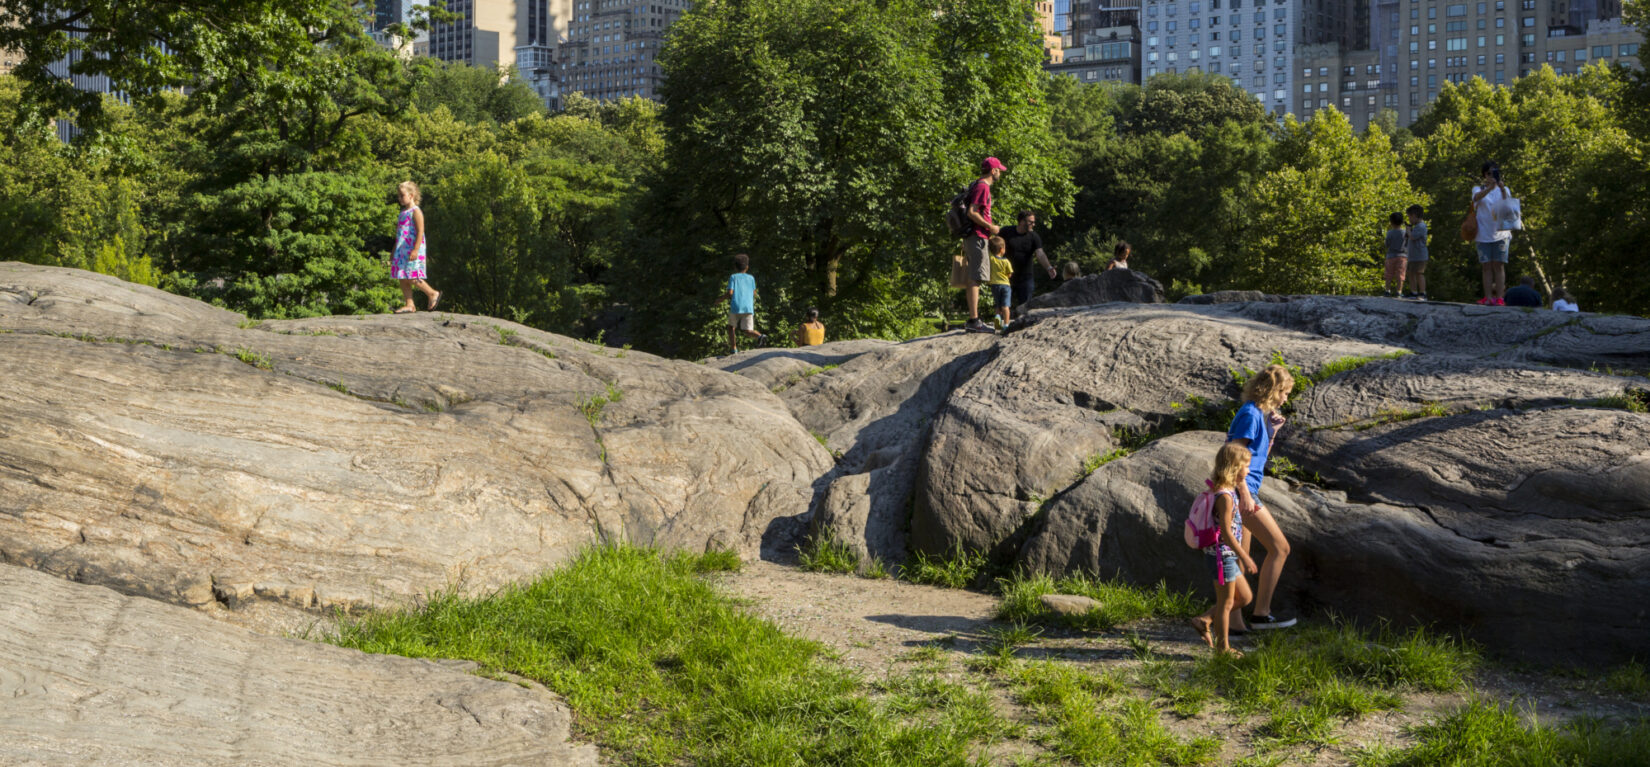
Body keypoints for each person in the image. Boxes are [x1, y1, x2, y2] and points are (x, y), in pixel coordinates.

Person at [1226, 363, 1297, 629]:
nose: (1285, 398)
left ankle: (1234, 625)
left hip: (1244, 490)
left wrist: (1272, 433)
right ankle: (1261, 614)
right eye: (1284, 392)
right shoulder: (1250, 414)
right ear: (1272, 390)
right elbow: (1234, 454)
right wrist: (1243, 492)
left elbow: (1256, 458)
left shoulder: (1257, 415)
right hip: (1240, 492)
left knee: (1240, 560)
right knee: (1280, 548)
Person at [1189, 442, 1260, 657]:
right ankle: (1223, 649)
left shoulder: (1226, 491)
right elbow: (1227, 534)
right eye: (1245, 466)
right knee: (1226, 603)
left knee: (1245, 597)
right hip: (1222, 557)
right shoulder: (1225, 498)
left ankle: (1205, 619)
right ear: (1234, 467)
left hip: (1224, 555)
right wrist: (1245, 557)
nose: (1248, 470)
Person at [962, 157, 1007, 334]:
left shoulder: (977, 184)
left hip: (976, 236)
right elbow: (972, 212)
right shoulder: (983, 186)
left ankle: (974, 319)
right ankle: (974, 321)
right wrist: (991, 227)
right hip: (978, 236)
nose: (1000, 173)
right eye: (999, 170)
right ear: (993, 171)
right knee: (975, 278)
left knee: (976, 277)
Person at [391, 181, 440, 314]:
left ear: (411, 195)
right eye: (399, 196)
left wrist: (416, 249)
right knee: (402, 275)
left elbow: (420, 231)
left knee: (412, 275)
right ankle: (410, 304)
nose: (399, 198)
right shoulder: (402, 213)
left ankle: (432, 293)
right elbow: (399, 234)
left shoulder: (416, 211)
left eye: (402, 195)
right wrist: (394, 251)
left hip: (412, 249)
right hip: (402, 250)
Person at [1472, 162, 1514, 306]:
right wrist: (1490, 187)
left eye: (1494, 172)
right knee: (1486, 266)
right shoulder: (1478, 189)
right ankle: (1488, 297)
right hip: (1483, 234)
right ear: (1484, 175)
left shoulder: (1505, 189)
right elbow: (1476, 199)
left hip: (1501, 233)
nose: (1492, 176)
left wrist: (1501, 188)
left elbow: (1508, 204)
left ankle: (1500, 298)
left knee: (1499, 265)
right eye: (1489, 173)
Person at [1000, 210, 1056, 312]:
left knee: (1025, 307)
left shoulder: (1034, 237)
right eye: (1031, 222)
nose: (1033, 224)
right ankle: (1001, 325)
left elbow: (1040, 253)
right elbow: (993, 245)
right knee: (1003, 305)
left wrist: (1049, 267)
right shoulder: (1006, 231)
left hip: (1025, 277)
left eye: (1034, 222)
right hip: (1005, 276)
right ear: (1021, 221)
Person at [723, 253, 768, 353]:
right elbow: (754, 292)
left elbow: (730, 292)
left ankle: (734, 348)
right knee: (748, 330)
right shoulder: (751, 278)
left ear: (735, 267)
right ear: (747, 267)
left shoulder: (733, 277)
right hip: (748, 307)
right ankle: (760, 336)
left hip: (736, 307)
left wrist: (720, 299)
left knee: (731, 327)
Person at [987, 235, 1013, 330]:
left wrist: (989, 240)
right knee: (1005, 306)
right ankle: (1006, 325)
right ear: (1002, 249)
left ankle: (997, 317)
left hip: (994, 285)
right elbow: (1009, 274)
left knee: (998, 305)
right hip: (1005, 285)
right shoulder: (1006, 261)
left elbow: (989, 251)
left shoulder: (991, 259)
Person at [1404, 205, 1429, 301]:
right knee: (1410, 273)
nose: (1409, 219)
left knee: (1419, 273)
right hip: (1413, 255)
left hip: (1420, 255)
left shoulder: (1421, 226)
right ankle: (1413, 292)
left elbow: (1413, 237)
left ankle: (1423, 293)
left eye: (1409, 217)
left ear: (1414, 215)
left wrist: (1408, 230)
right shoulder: (1417, 226)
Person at [1383, 212, 1408, 298]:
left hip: (1391, 256)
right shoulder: (1405, 232)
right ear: (1402, 222)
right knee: (1400, 274)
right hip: (1402, 256)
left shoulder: (1389, 233)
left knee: (1388, 274)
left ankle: (1387, 290)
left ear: (1391, 222)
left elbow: (1387, 244)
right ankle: (1399, 292)